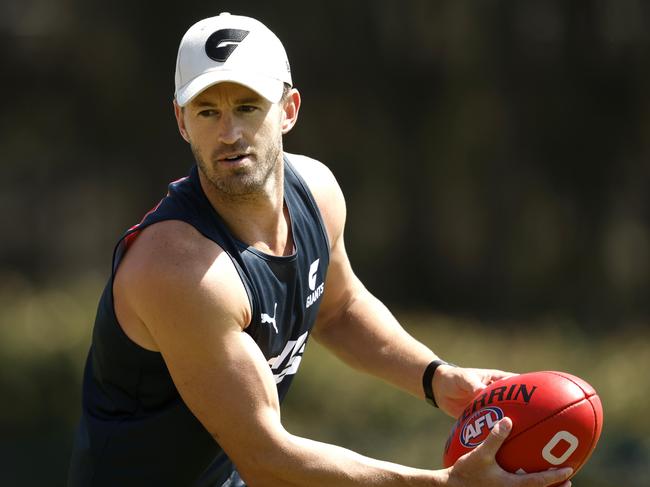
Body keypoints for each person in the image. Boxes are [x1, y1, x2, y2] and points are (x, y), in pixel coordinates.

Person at [68, 12, 574, 487]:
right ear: (181, 121)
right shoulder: (180, 270)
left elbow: (339, 309)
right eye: (207, 110)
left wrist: (434, 377)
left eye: (247, 106)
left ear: (288, 110)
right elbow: (268, 459)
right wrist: (442, 483)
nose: (229, 132)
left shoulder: (317, 193)